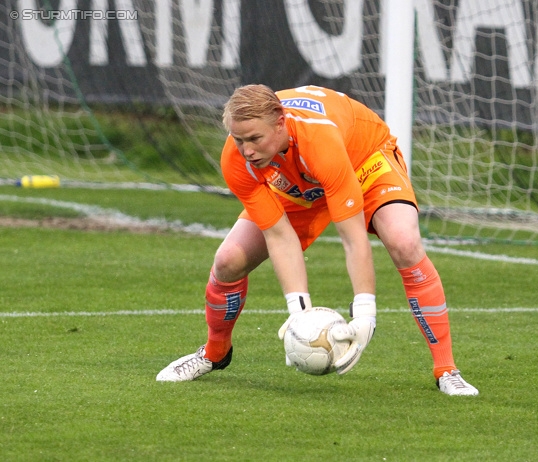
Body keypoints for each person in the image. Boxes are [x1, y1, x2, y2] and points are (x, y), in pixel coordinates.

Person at [156, 84, 478, 395]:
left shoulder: (318, 139)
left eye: (255, 138)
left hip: (364, 159)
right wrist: (299, 314)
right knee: (227, 261)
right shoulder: (237, 159)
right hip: (299, 182)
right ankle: (214, 354)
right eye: (239, 139)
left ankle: (447, 370)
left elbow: (352, 239)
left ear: (281, 123)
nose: (247, 150)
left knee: (404, 242)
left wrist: (366, 314)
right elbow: (279, 237)